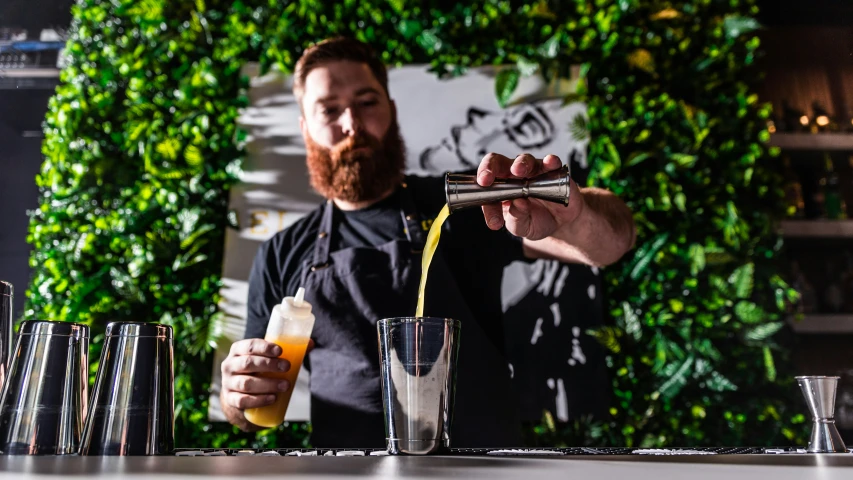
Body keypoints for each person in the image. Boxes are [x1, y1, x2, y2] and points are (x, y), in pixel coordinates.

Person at [220, 37, 635, 448]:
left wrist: (575, 215)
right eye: (329, 109)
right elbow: (252, 411)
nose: (352, 124)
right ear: (305, 127)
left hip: (478, 468)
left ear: (392, 110)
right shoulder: (281, 254)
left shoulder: (461, 205)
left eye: (367, 102)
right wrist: (239, 394)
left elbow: (611, 244)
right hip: (346, 472)